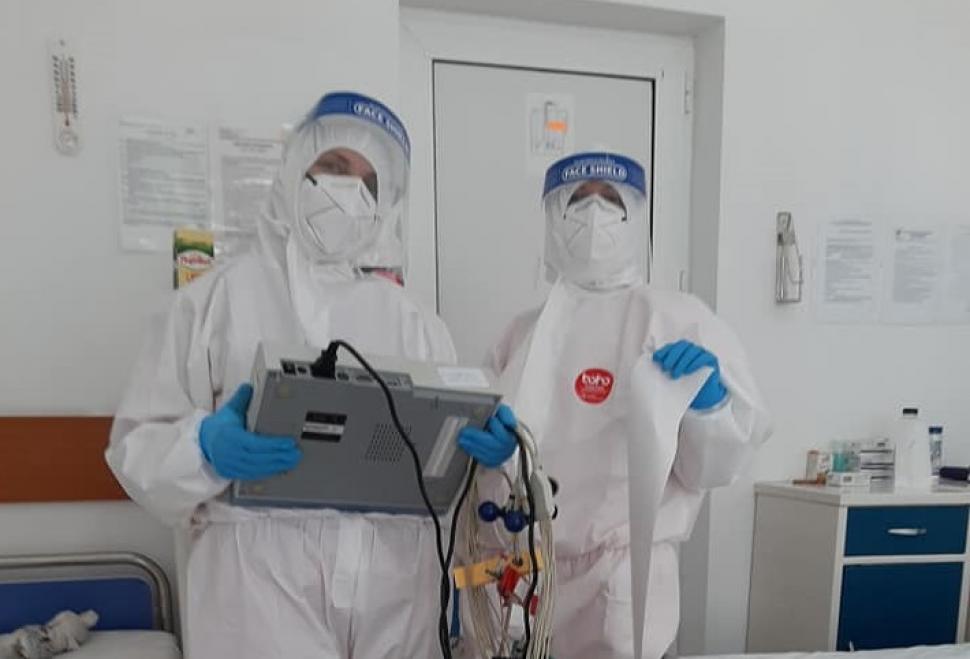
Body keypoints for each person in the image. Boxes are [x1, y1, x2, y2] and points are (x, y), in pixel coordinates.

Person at [106, 91, 514, 659]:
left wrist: (493, 461)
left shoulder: (415, 322)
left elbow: (452, 483)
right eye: (335, 167)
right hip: (257, 580)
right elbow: (136, 451)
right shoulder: (214, 302)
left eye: (369, 183)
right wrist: (202, 448)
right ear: (295, 168)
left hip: (396, 578)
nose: (350, 192)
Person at [464, 152, 771, 658]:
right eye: (578, 200)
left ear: (636, 218)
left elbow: (714, 468)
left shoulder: (676, 319)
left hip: (621, 576)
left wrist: (710, 410)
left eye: (611, 200)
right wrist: (497, 460)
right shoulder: (520, 335)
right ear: (553, 217)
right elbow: (477, 453)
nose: (594, 214)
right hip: (523, 573)